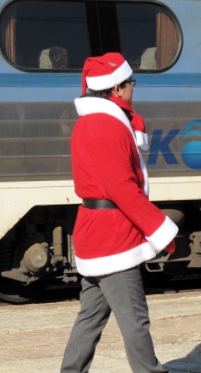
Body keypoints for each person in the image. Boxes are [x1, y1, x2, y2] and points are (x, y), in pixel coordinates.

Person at [61, 52, 178, 373]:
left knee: (90, 318)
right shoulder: (105, 126)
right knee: (135, 321)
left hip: (95, 231)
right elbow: (120, 187)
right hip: (112, 237)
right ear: (116, 89)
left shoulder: (95, 122)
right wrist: (160, 228)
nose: (133, 89)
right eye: (131, 83)